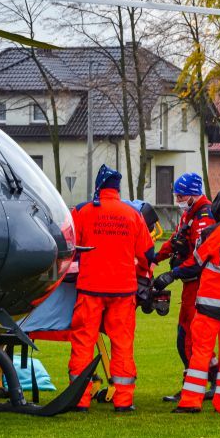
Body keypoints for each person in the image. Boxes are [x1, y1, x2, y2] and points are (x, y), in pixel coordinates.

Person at [153, 188, 220, 414]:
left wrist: (171, 274)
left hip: (211, 304)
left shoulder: (213, 232)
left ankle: (191, 401)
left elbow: (196, 262)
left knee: (201, 352)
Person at [67, 164, 154, 412]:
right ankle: (124, 400)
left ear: (98, 187)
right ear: (117, 189)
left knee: (84, 342)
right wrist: (141, 274)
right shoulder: (131, 213)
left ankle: (80, 399)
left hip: (90, 288)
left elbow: (69, 243)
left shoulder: (83, 211)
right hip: (123, 291)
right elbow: (147, 253)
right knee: (122, 344)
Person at [153, 172, 215, 402]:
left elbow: (200, 257)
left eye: (180, 195)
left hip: (200, 283)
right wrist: (155, 257)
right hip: (191, 283)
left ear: (192, 194)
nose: (177, 199)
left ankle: (193, 387)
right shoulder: (191, 213)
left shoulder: (204, 216)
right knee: (187, 335)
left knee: (189, 337)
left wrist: (172, 274)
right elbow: (177, 240)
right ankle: (212, 377)